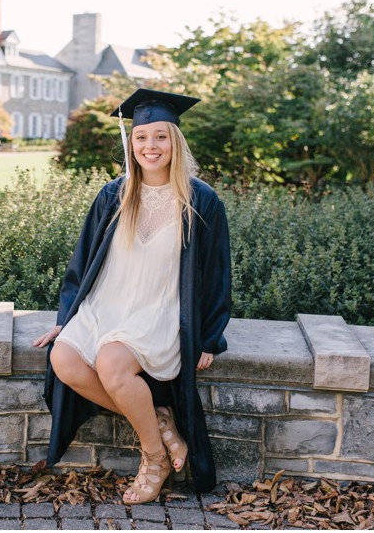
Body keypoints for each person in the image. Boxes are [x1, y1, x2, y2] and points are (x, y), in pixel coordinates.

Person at [32, 88, 232, 504]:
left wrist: (210, 337)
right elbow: (82, 261)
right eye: (141, 137)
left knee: (112, 363)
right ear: (131, 143)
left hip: (157, 310)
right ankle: (161, 423)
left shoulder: (200, 201)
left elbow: (216, 273)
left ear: (174, 141)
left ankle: (154, 458)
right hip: (106, 304)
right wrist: (65, 318)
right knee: (64, 359)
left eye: (160, 136)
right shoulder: (114, 194)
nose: (150, 146)